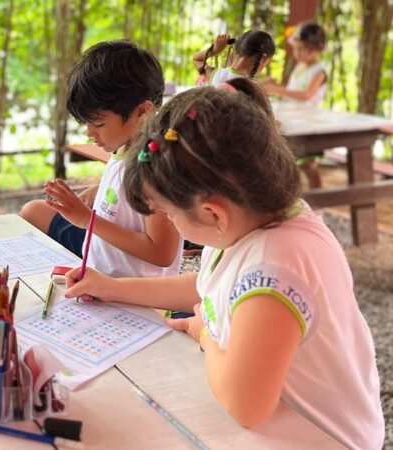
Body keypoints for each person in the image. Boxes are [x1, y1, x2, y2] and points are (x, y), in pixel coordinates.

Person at [63, 87, 384, 450]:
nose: (169, 221)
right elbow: (206, 286)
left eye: (169, 214)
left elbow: (245, 404)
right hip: (282, 426)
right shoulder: (253, 222)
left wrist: (204, 335)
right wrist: (110, 287)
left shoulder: (276, 268)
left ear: (213, 213)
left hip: (321, 438)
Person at [20, 40, 182, 278]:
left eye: (99, 123)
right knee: (33, 211)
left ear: (142, 111)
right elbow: (126, 184)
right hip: (102, 267)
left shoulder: (156, 166)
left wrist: (89, 220)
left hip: (135, 294)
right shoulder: (125, 146)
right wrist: (97, 190)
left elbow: (162, 253)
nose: (89, 132)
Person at [263, 22, 328, 189]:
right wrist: (275, 86)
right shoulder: (300, 66)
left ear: (316, 50)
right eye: (296, 48)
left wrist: (277, 90)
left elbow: (306, 95)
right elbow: (293, 90)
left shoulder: (319, 71)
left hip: (307, 120)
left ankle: (318, 198)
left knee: (309, 164)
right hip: (292, 116)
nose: (297, 53)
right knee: (298, 161)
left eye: (302, 50)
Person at [192, 30, 275, 86]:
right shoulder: (251, 88)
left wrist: (214, 51)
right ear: (263, 58)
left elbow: (196, 59)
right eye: (266, 63)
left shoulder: (216, 75)